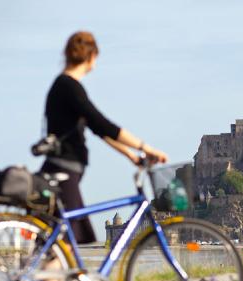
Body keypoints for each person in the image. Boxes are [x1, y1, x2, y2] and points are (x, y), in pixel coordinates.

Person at [41, 31, 167, 244]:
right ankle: (41, 277)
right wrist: (145, 147)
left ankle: (51, 276)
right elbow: (102, 124)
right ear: (90, 57)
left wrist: (131, 155)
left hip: (64, 170)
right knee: (65, 244)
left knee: (65, 244)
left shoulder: (64, 86)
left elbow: (98, 131)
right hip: (64, 170)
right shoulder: (69, 86)